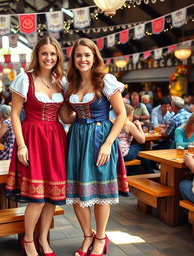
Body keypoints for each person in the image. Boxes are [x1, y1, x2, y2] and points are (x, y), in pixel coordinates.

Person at [65, 38, 128, 256]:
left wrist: (108, 143)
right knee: (77, 192)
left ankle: (101, 237)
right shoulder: (70, 84)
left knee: (101, 191)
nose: (82, 59)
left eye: (86, 55)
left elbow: (122, 114)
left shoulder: (105, 80)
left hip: (101, 138)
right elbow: (66, 117)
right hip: (77, 137)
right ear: (73, 59)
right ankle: (87, 236)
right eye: (78, 55)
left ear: (94, 57)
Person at [6, 36, 67, 256]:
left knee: (52, 195)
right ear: (37, 55)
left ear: (57, 56)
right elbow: (14, 114)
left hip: (56, 139)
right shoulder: (25, 79)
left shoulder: (61, 81)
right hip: (32, 137)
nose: (48, 57)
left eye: (52, 54)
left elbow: (64, 116)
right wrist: (21, 145)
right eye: (44, 53)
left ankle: (43, 239)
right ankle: (29, 240)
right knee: (37, 197)